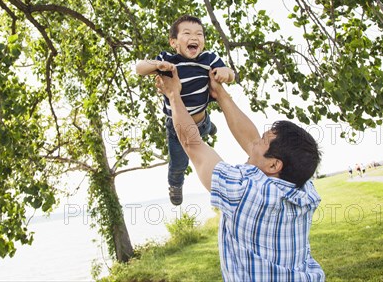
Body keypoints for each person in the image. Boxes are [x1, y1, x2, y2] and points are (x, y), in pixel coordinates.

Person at [155, 68, 325, 281]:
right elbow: (251, 140)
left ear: (274, 166)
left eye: (262, 141)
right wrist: (221, 95)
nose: (254, 143)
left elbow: (193, 145)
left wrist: (173, 96)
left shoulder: (243, 190)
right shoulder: (304, 188)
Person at [136, 15, 235, 205]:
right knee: (178, 164)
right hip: (178, 129)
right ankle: (175, 184)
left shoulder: (209, 59)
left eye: (199, 34)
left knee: (205, 127)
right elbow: (139, 68)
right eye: (187, 33)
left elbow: (231, 74)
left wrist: (226, 73)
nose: (194, 37)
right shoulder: (167, 60)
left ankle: (208, 127)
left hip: (201, 117)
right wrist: (157, 65)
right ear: (174, 42)